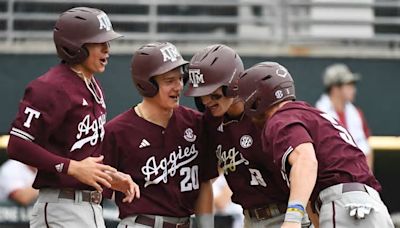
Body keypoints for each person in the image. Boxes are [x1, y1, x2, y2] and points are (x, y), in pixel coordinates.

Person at [7, 7, 138, 228]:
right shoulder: (51, 86)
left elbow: (84, 156)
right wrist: (71, 167)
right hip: (61, 207)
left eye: (108, 42)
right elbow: (17, 145)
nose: (107, 49)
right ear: (76, 46)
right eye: (100, 43)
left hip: (91, 209)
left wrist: (110, 177)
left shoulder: (92, 85)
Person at [237, 61, 394, 228]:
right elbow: (313, 190)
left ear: (256, 99)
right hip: (372, 208)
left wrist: (292, 218)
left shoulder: (280, 118)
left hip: (345, 207)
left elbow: (306, 161)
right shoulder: (310, 114)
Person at [184, 44, 311, 228]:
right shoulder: (211, 122)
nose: (205, 100)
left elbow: (305, 164)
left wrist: (296, 217)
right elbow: (206, 177)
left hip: (288, 215)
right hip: (249, 220)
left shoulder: (265, 110)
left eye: (211, 92)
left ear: (233, 85)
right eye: (200, 94)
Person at [102, 42, 217, 228]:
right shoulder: (117, 131)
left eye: (180, 79)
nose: (178, 86)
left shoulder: (197, 123)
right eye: (169, 81)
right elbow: (99, 192)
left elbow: (205, 183)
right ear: (147, 84)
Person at [315, 63, 373, 170]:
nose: (353, 90)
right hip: (332, 177)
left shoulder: (356, 113)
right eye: (348, 85)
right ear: (335, 88)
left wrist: (367, 179)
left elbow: (367, 148)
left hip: (359, 177)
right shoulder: (318, 116)